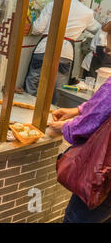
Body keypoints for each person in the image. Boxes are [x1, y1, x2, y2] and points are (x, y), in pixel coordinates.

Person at [49, 21, 111, 223]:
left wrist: (64, 128)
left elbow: (92, 122)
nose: (108, 52)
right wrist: (77, 110)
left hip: (104, 171)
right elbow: (101, 107)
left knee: (78, 217)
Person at [25, 0, 101, 103]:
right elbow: (99, 30)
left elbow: (37, 29)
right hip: (65, 53)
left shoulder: (52, 5)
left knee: (32, 84)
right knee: (57, 91)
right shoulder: (87, 13)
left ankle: (22, 111)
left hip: (44, 48)